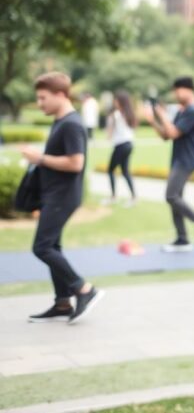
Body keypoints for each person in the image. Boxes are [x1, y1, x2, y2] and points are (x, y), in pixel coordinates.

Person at [21, 73, 104, 324]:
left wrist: (40, 158)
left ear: (60, 95)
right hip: (53, 194)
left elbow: (76, 163)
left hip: (63, 195)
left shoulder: (71, 124)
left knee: (42, 247)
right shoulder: (61, 121)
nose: (39, 103)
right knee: (52, 246)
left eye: (43, 98)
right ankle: (62, 303)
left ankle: (84, 289)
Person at [143, 77, 194, 253]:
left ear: (189, 90)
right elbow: (166, 135)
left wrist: (162, 115)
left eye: (177, 90)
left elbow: (174, 133)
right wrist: (153, 121)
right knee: (176, 198)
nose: (175, 94)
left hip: (186, 159)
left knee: (171, 196)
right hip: (178, 158)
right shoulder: (183, 111)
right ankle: (182, 238)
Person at [104, 91, 137, 206]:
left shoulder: (116, 115)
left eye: (116, 100)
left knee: (110, 170)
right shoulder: (129, 114)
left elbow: (109, 134)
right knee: (125, 171)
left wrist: (109, 121)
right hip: (129, 144)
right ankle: (133, 197)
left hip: (121, 145)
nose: (115, 102)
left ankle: (113, 197)